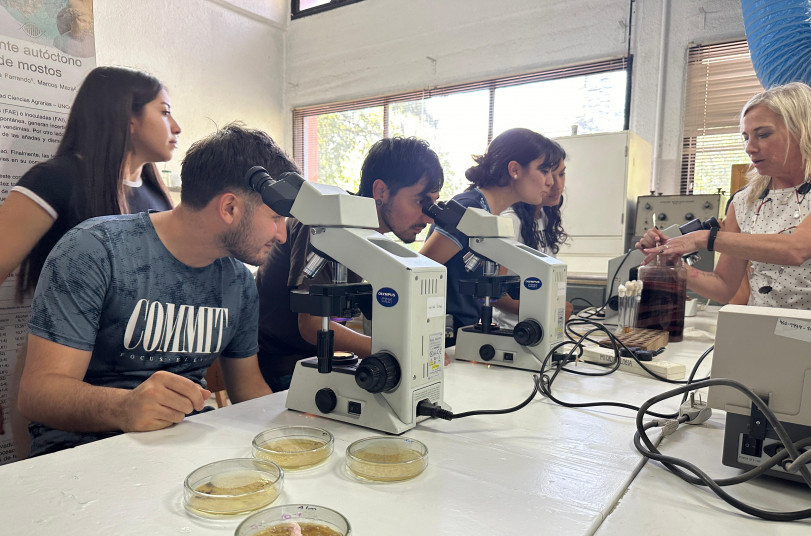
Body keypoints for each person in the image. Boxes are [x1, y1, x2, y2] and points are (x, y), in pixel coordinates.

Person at [16, 123, 294, 456]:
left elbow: (249, 389)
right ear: (230, 208)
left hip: (184, 451)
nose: (283, 236)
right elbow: (36, 394)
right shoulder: (94, 250)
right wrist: (124, 407)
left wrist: (296, 433)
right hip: (80, 453)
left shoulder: (237, 282)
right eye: (277, 218)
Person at [256, 136, 443, 391]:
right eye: (421, 202)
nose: (429, 218)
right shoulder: (326, 219)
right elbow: (311, 326)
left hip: (330, 360)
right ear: (381, 191)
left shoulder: (366, 236)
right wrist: (398, 352)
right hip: (286, 369)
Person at [0, 66, 181, 303]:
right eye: (164, 113)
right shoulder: (54, 180)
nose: (176, 127)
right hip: (64, 339)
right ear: (128, 117)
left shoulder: (157, 196)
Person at [636, 82, 811, 309]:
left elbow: (796, 249)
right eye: (746, 137)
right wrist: (673, 264)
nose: (749, 148)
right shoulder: (745, 202)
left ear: (802, 129)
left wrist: (704, 237)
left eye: (763, 134)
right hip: (763, 331)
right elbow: (724, 287)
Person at [420, 128, 564, 343]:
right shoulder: (468, 209)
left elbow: (497, 287)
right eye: (544, 171)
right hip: (443, 338)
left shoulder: (496, 218)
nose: (551, 182)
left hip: (468, 334)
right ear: (514, 169)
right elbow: (415, 273)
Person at [493, 152, 571, 329]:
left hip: (541, 328)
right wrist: (547, 311)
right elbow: (492, 296)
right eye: (547, 173)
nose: (556, 184)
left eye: (561, 174)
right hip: (512, 330)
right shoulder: (510, 221)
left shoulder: (544, 216)